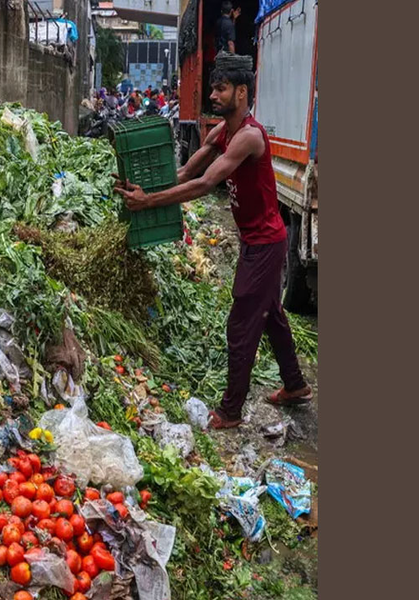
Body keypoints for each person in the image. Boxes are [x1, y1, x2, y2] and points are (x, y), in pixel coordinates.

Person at [113, 56, 313, 429]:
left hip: (266, 244)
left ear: (241, 92)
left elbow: (205, 185)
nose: (212, 94)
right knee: (272, 316)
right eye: (213, 87)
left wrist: (148, 203)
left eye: (220, 88)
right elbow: (188, 172)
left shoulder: (249, 136)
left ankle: (231, 412)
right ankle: (296, 385)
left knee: (241, 325)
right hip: (255, 240)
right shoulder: (220, 132)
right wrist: (145, 190)